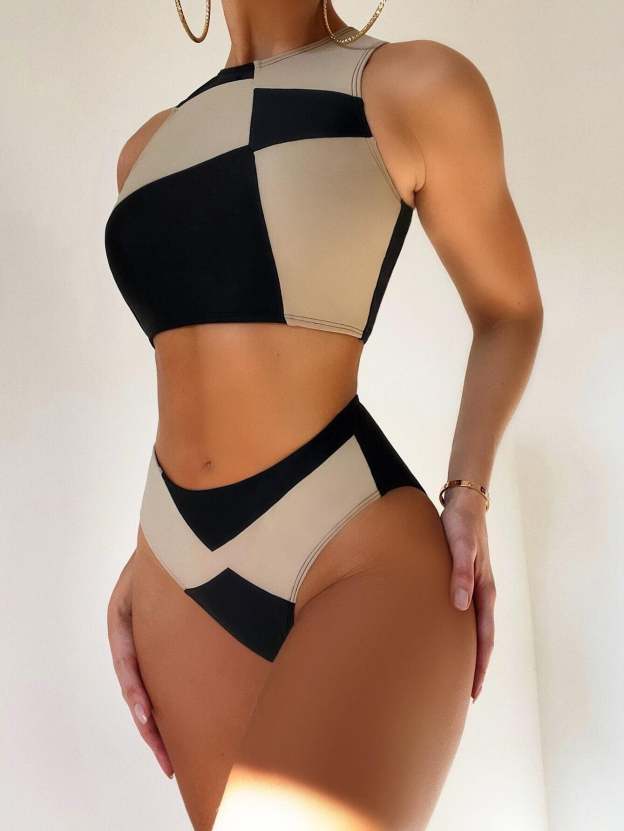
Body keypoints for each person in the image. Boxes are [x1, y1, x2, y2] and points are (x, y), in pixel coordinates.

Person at [104, 1, 543, 828]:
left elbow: (510, 311)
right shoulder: (146, 148)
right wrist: (148, 552)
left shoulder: (410, 83)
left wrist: (469, 491)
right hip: (173, 561)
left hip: (352, 546)